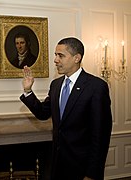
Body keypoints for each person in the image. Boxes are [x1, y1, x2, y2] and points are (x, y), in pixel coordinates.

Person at [20, 37, 112, 180]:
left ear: (77, 58)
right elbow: (43, 113)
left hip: (83, 168)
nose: (55, 60)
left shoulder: (96, 87)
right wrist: (28, 91)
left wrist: (92, 173)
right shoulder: (56, 85)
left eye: (60, 56)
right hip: (58, 165)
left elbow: (101, 136)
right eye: (56, 55)